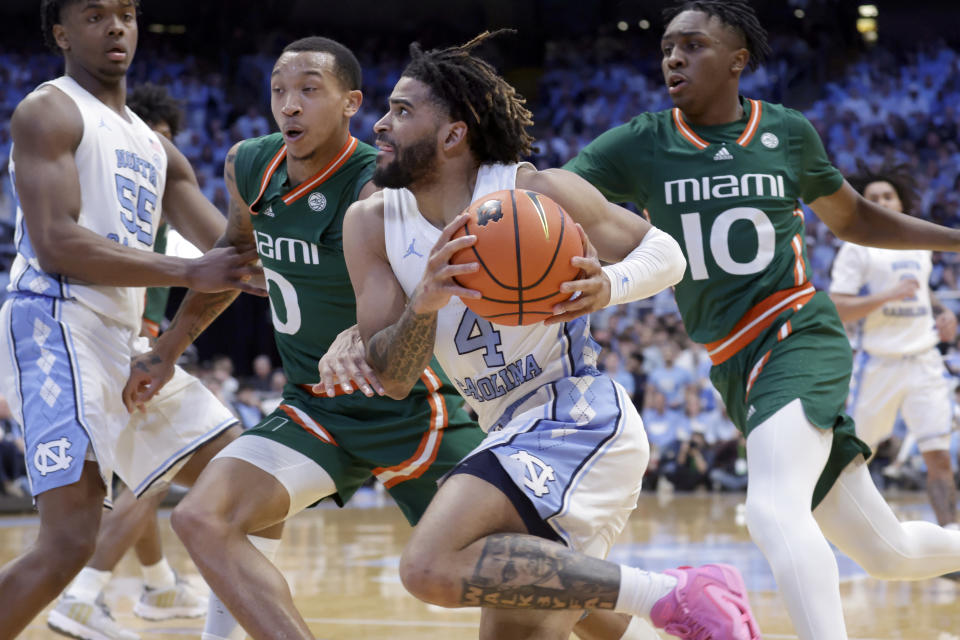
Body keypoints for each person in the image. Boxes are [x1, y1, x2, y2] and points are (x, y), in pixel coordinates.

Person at [342, 31, 760, 640]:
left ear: (455, 133)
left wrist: (608, 286)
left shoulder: (533, 193)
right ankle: (687, 617)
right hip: (507, 428)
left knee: (428, 566)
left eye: (402, 112)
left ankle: (673, 591)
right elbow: (393, 373)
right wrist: (424, 305)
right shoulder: (372, 223)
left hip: (576, 414)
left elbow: (667, 252)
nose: (380, 125)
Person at [564, 2, 960, 638]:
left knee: (774, 510)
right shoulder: (642, 140)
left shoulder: (786, 131)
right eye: (667, 46)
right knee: (890, 552)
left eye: (692, 45)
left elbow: (854, 219)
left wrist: (954, 240)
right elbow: (559, 189)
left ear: (737, 60)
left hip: (796, 331)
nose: (673, 57)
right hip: (733, 362)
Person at [121, 36, 489, 640]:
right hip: (314, 408)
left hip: (412, 408)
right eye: (279, 91)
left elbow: (404, 283)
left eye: (309, 91)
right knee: (204, 518)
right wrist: (166, 350)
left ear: (351, 103)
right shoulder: (249, 164)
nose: (289, 105)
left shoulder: (378, 182)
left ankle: (655, 613)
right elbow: (234, 258)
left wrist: (354, 330)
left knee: (524, 578)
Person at [0, 1, 268, 638]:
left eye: (125, 12)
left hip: (123, 337)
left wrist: (267, 213)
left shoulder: (158, 149)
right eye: (95, 15)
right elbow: (57, 244)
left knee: (245, 477)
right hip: (55, 322)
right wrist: (185, 273)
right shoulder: (49, 111)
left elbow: (235, 263)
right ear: (62, 33)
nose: (116, 26)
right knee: (68, 540)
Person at [47, 81, 209, 640]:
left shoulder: (164, 202)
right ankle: (86, 593)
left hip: (133, 340)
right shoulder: (96, 178)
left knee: (152, 467)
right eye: (147, 137)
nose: (151, 151)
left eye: (165, 142)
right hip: (95, 335)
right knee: (159, 465)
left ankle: (159, 583)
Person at [829, 163, 959, 529]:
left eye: (888, 196)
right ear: (864, 206)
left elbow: (919, 287)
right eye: (873, 198)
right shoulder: (855, 249)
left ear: (901, 203)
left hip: (924, 361)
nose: (882, 201)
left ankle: (952, 543)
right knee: (852, 458)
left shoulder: (918, 246)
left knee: (939, 457)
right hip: (878, 365)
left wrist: (941, 309)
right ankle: (832, 528)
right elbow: (838, 305)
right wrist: (889, 295)